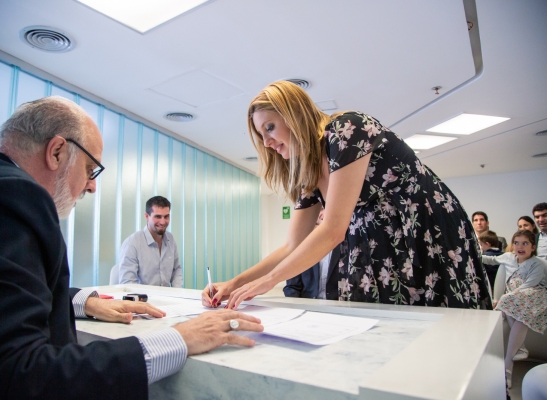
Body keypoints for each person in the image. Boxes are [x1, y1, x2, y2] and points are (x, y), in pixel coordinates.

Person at [0, 96, 263, 399]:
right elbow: (16, 377)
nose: (92, 186)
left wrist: (85, 301)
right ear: (56, 152)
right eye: (90, 169)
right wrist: (177, 339)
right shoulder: (6, 199)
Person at [202, 80, 490, 310]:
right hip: (380, 245)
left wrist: (269, 281)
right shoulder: (310, 173)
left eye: (270, 127)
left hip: (423, 234)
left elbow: (332, 230)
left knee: (440, 320)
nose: (266, 143)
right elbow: (292, 244)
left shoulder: (346, 130)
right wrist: (235, 282)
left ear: (295, 115)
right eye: (260, 135)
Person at [482, 230, 547, 388]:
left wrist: (505, 298)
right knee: (512, 307)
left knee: (510, 304)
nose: (520, 246)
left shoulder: (538, 263)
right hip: (515, 298)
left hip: (535, 295)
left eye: (525, 243)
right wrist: (471, 252)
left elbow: (528, 286)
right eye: (516, 242)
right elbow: (490, 259)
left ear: (533, 247)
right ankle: (520, 349)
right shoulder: (508, 257)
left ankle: (507, 366)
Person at [118, 196, 182, 287]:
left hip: (168, 298)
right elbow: (128, 283)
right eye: (158, 217)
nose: (163, 222)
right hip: (143, 299)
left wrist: (177, 293)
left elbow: (176, 270)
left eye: (166, 216)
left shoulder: (170, 239)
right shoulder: (132, 243)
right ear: (147, 216)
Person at [283, 209, 342, 299]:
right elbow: (292, 287)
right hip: (308, 306)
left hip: (338, 307)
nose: (322, 213)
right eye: (320, 209)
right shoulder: (301, 246)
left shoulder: (347, 244)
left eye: (326, 208)